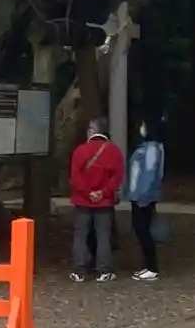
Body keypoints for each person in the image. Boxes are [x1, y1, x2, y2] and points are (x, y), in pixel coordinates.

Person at [68, 119, 124, 283]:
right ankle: (104, 270)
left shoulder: (80, 151)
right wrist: (103, 192)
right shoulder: (114, 151)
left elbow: (75, 176)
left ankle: (79, 271)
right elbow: (117, 177)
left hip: (82, 201)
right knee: (103, 237)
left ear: (92, 131)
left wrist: (88, 193)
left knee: (80, 236)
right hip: (104, 202)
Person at [125, 119, 165, 282]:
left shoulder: (152, 149)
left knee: (142, 230)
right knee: (141, 230)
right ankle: (148, 265)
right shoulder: (149, 147)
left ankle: (151, 267)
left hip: (143, 197)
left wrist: (142, 196)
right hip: (141, 195)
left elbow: (149, 173)